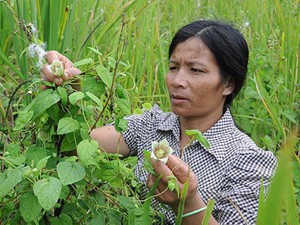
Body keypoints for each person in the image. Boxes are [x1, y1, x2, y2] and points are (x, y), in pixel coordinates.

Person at [42, 20, 277, 225]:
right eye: (174, 67)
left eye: (195, 70)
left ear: (228, 84)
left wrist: (186, 205)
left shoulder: (249, 161)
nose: (177, 81)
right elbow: (79, 147)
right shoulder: (151, 125)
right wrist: (68, 95)